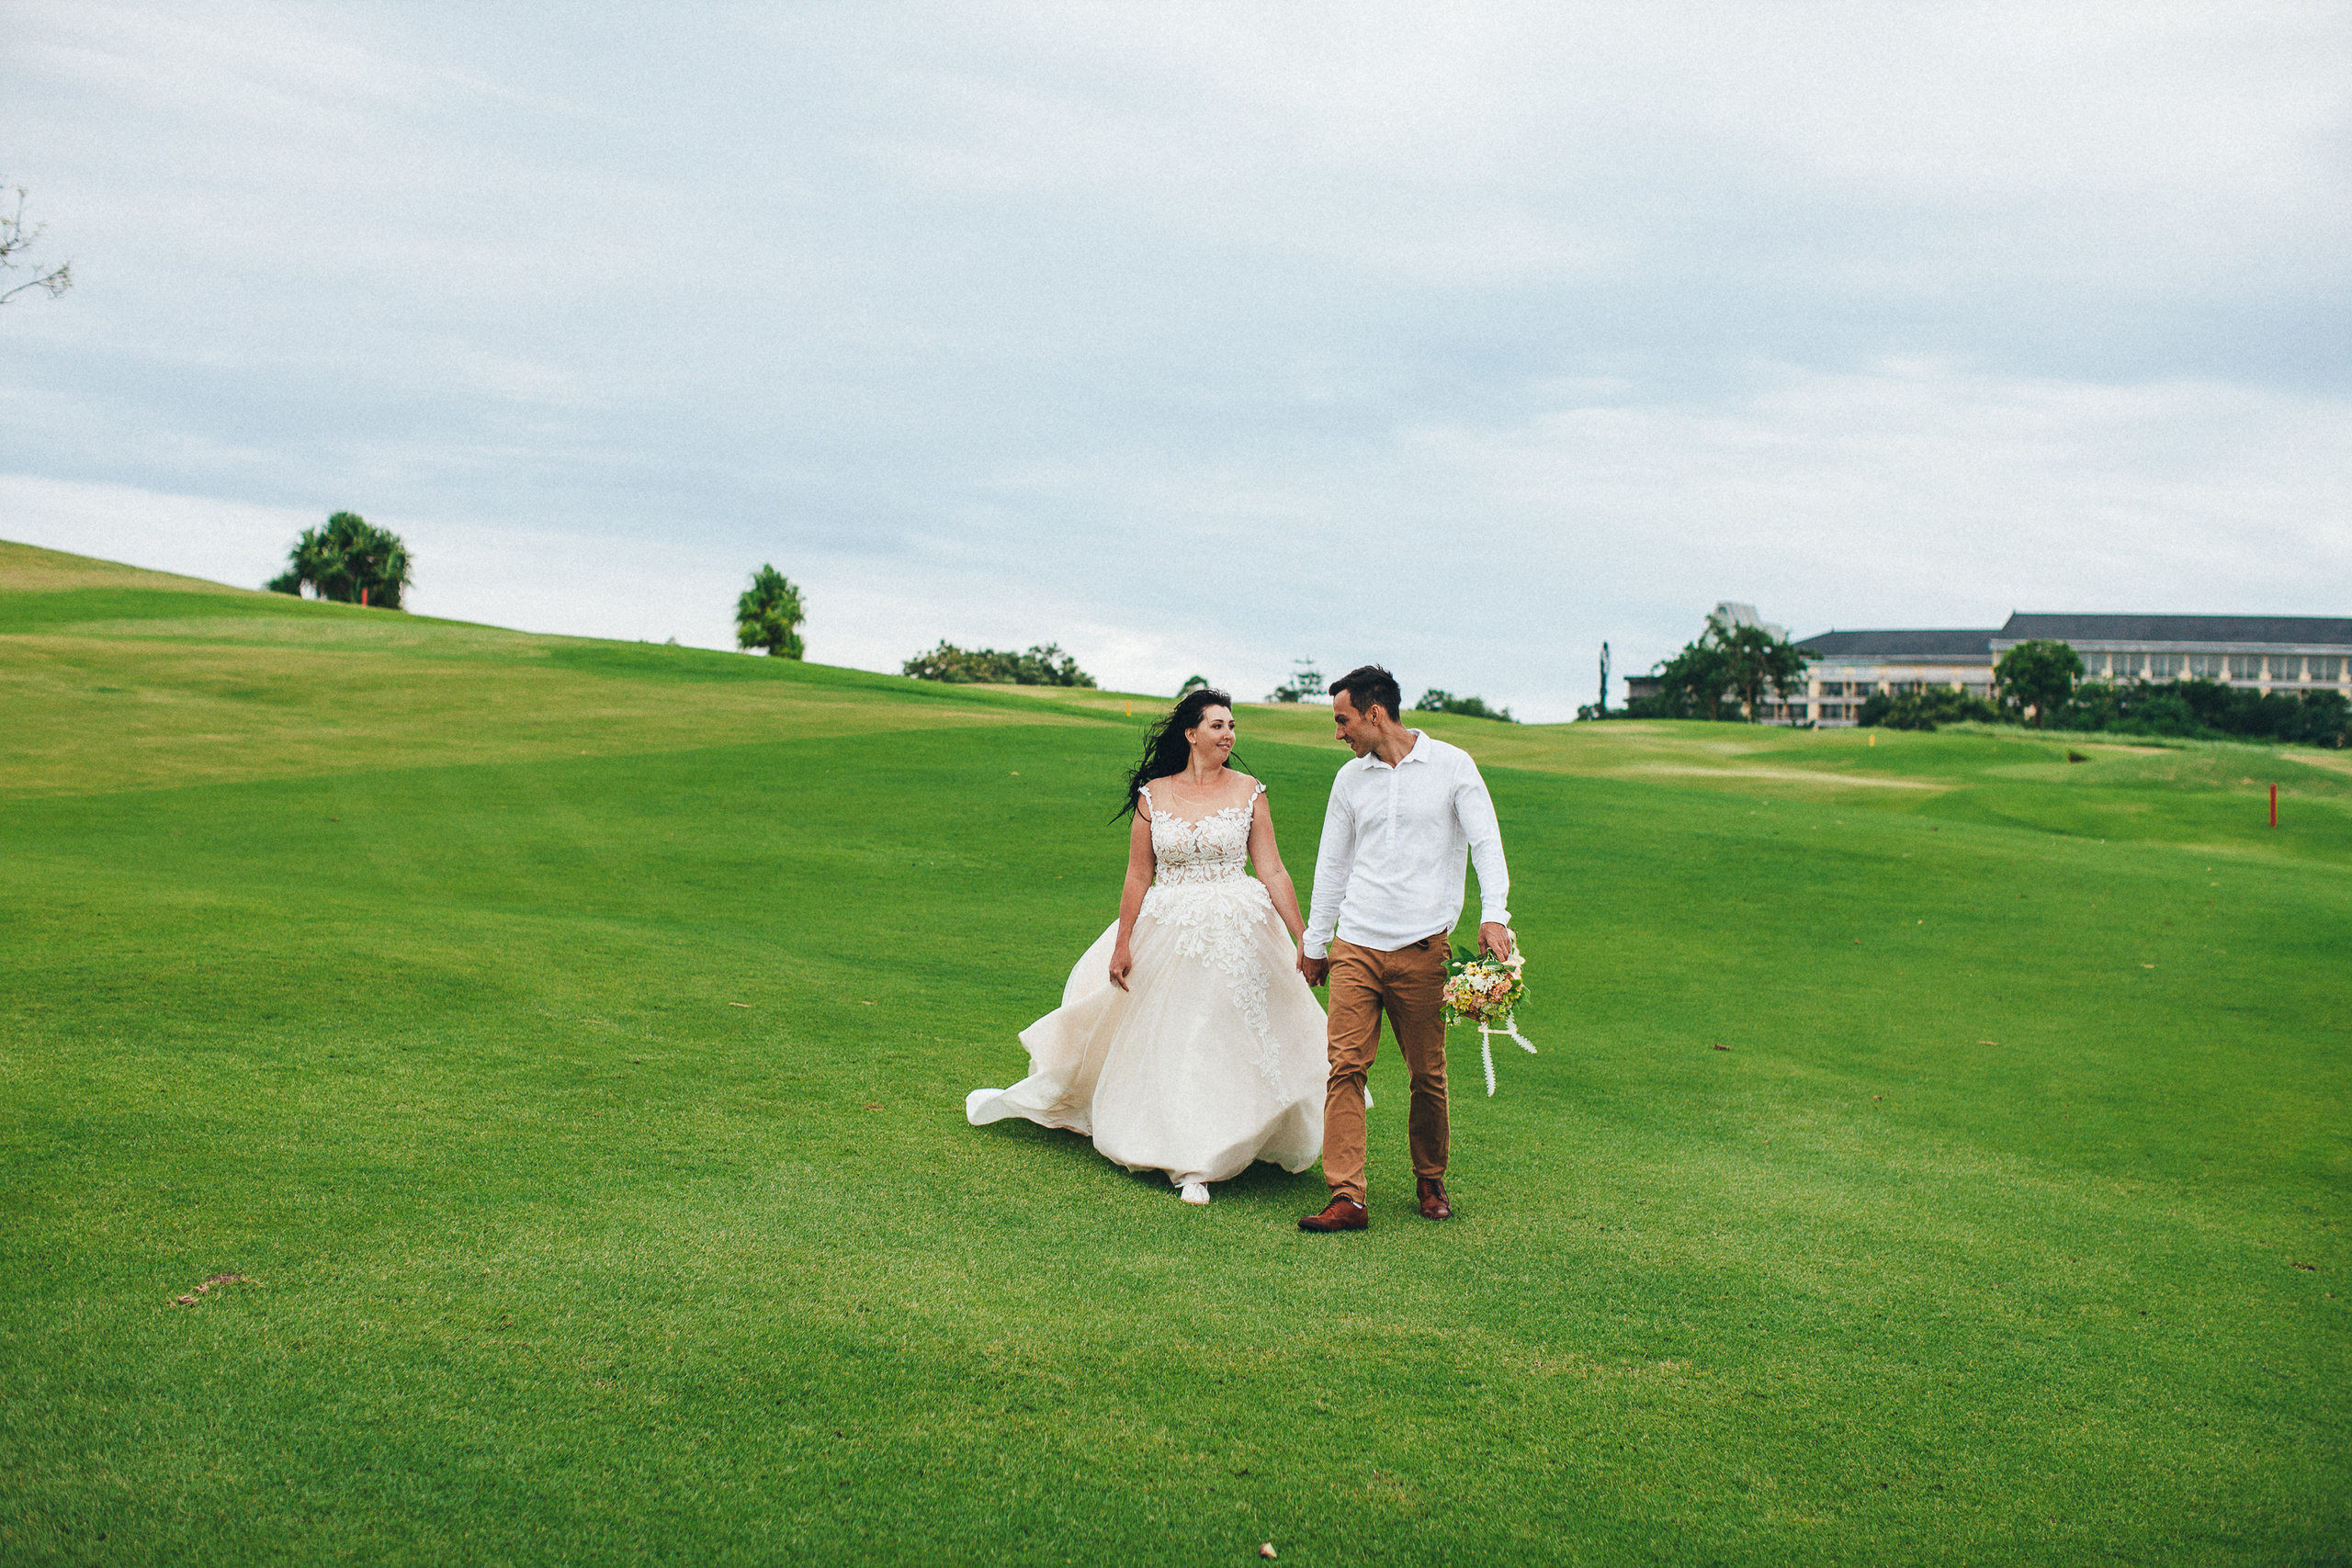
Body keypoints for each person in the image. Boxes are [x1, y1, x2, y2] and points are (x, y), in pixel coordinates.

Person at [966, 688, 1328, 1204]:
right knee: (1182, 1039)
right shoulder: (1153, 795)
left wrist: (1304, 938)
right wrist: (1123, 943)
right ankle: (1191, 1159)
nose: (1228, 735)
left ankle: (1238, 1141)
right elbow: (1138, 875)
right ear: (1191, 734)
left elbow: (1271, 869)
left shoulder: (1250, 791)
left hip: (1241, 929)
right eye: (1218, 725)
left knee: (1232, 1038)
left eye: (1231, 726)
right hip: (1169, 928)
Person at [1295, 664, 1513, 1233]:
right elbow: (1332, 864)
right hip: (1356, 946)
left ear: (1374, 713)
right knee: (1345, 1067)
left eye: (1342, 720)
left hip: (1423, 948)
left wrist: (1494, 915)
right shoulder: (1349, 780)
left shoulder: (1453, 766)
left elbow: (1487, 843)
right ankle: (1347, 1196)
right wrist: (1317, 942)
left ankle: (1430, 1178)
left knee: (1427, 1074)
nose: (1338, 732)